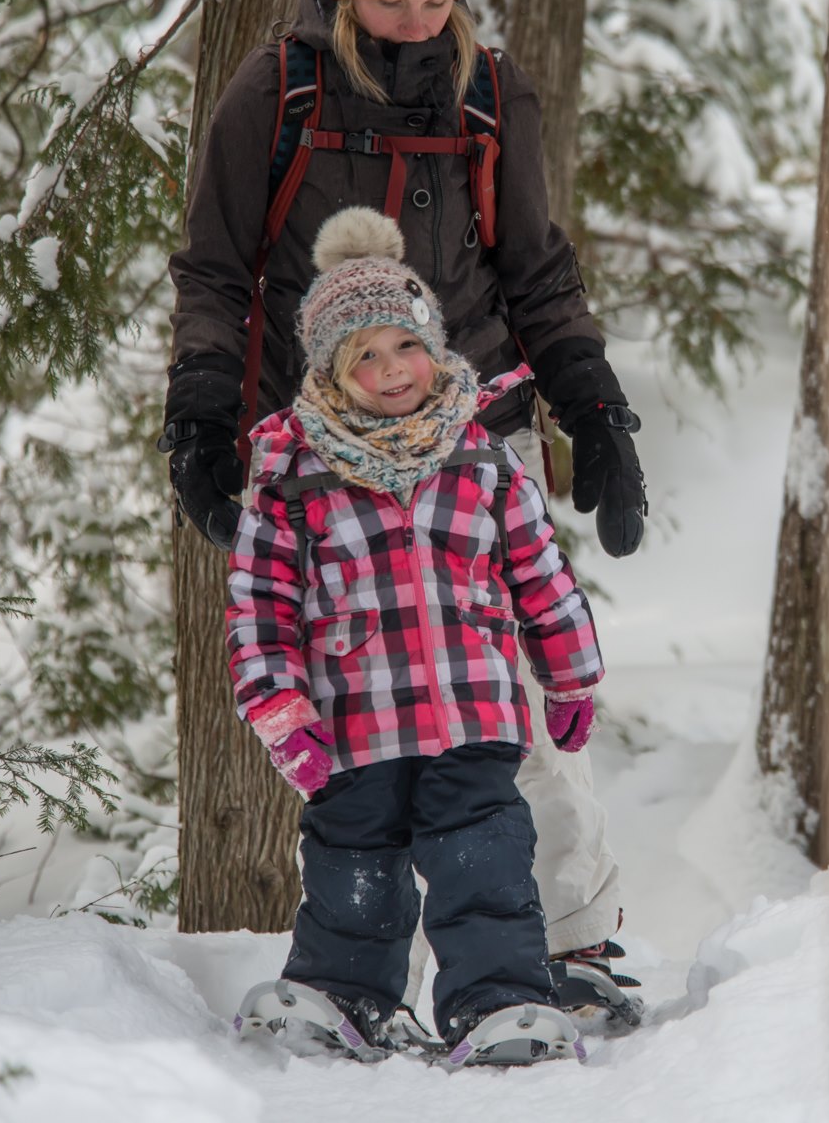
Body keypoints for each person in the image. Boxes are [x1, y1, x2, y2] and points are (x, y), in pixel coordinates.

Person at [161, 0, 638, 1022]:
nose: (417, 16)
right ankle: (350, 976)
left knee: (512, 705)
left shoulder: (491, 95)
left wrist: (596, 412)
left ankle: (563, 949)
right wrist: (203, 419)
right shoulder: (276, 94)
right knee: (354, 717)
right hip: (315, 456)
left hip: (474, 438)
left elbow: (536, 270)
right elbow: (215, 267)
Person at [228, 207, 596, 1067]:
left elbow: (542, 575)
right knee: (353, 863)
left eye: (407, 346)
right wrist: (280, 709)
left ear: (434, 344)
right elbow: (260, 604)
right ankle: (341, 995)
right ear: (329, 373)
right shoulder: (293, 477)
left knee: (484, 859)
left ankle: (499, 1001)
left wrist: (571, 676)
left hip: (473, 710)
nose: (393, 370)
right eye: (365, 357)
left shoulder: (483, 458)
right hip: (356, 718)